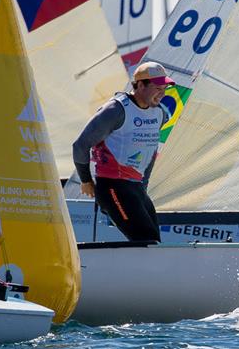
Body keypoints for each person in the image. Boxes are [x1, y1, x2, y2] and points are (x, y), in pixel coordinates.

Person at [72, 62, 172, 242]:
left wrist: (144, 186)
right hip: (112, 186)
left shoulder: (159, 114)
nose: (162, 94)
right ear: (141, 85)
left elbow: (150, 151)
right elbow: (80, 146)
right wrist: (86, 180)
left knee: (153, 241)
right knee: (146, 240)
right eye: (157, 88)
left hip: (136, 187)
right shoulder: (116, 110)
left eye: (164, 89)